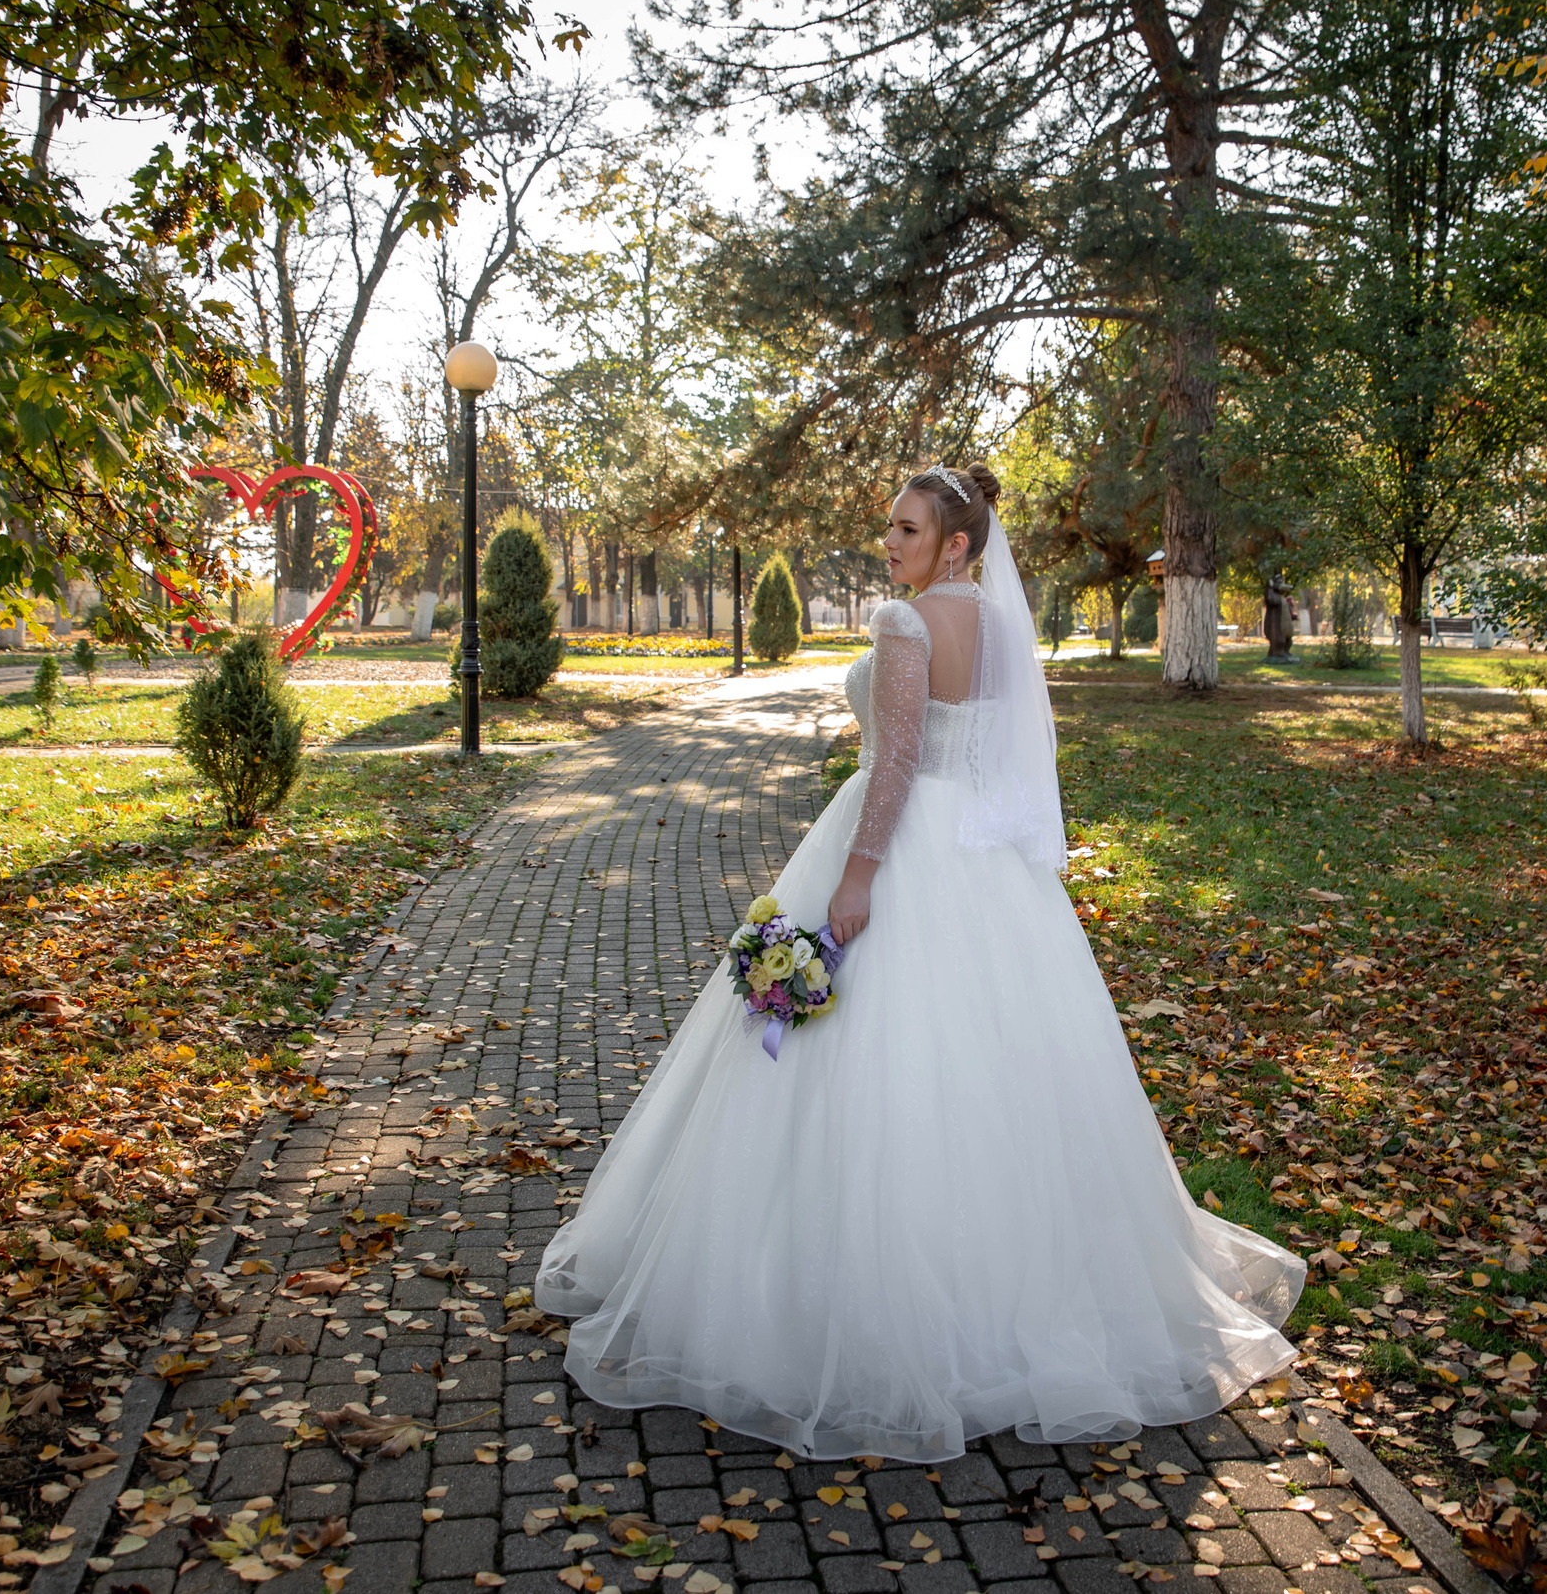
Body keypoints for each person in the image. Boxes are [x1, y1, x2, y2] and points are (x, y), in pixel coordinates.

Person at [535, 461, 1303, 1461]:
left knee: (868, 1063)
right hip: (984, 861)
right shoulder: (997, 625)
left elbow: (894, 759)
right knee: (989, 1066)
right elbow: (994, 754)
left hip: (893, 847)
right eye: (887, 526)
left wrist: (855, 878)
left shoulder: (904, 624)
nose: (888, 542)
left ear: (954, 543)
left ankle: (852, 1309)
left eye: (906, 528)